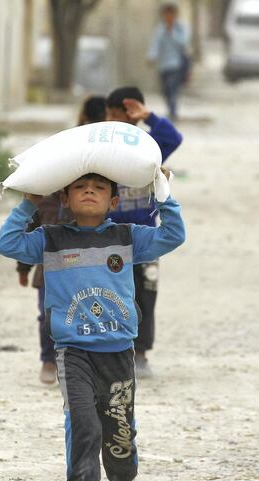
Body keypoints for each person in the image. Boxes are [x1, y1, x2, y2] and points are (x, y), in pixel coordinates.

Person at [0, 170, 186, 481]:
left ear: (114, 202)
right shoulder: (51, 240)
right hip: (73, 351)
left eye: (99, 188)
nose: (88, 192)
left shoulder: (128, 237)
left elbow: (173, 235)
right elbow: (7, 244)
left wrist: (163, 195)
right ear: (64, 199)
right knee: (82, 422)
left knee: (119, 428)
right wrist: (30, 204)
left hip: (117, 351)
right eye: (80, 187)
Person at [16, 96, 106, 384]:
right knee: (48, 314)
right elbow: (30, 226)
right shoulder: (46, 199)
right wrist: (23, 266)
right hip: (50, 265)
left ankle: (75, 362)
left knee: (77, 313)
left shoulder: (89, 190)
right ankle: (48, 360)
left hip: (84, 264)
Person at [106, 86, 183, 378]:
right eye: (112, 115)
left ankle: (141, 353)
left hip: (146, 239)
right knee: (114, 294)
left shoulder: (149, 145)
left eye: (122, 115)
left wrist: (148, 117)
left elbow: (173, 138)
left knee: (145, 294)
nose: (117, 121)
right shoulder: (105, 147)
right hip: (110, 237)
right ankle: (115, 351)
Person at [147, 2, 190, 120]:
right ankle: (170, 108)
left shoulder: (181, 28)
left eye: (171, 14)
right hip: (163, 65)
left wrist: (171, 32)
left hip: (176, 64)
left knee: (172, 87)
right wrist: (151, 56)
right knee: (165, 89)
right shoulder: (160, 29)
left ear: (175, 15)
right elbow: (155, 44)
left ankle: (173, 111)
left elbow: (184, 43)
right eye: (166, 14)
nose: (168, 17)